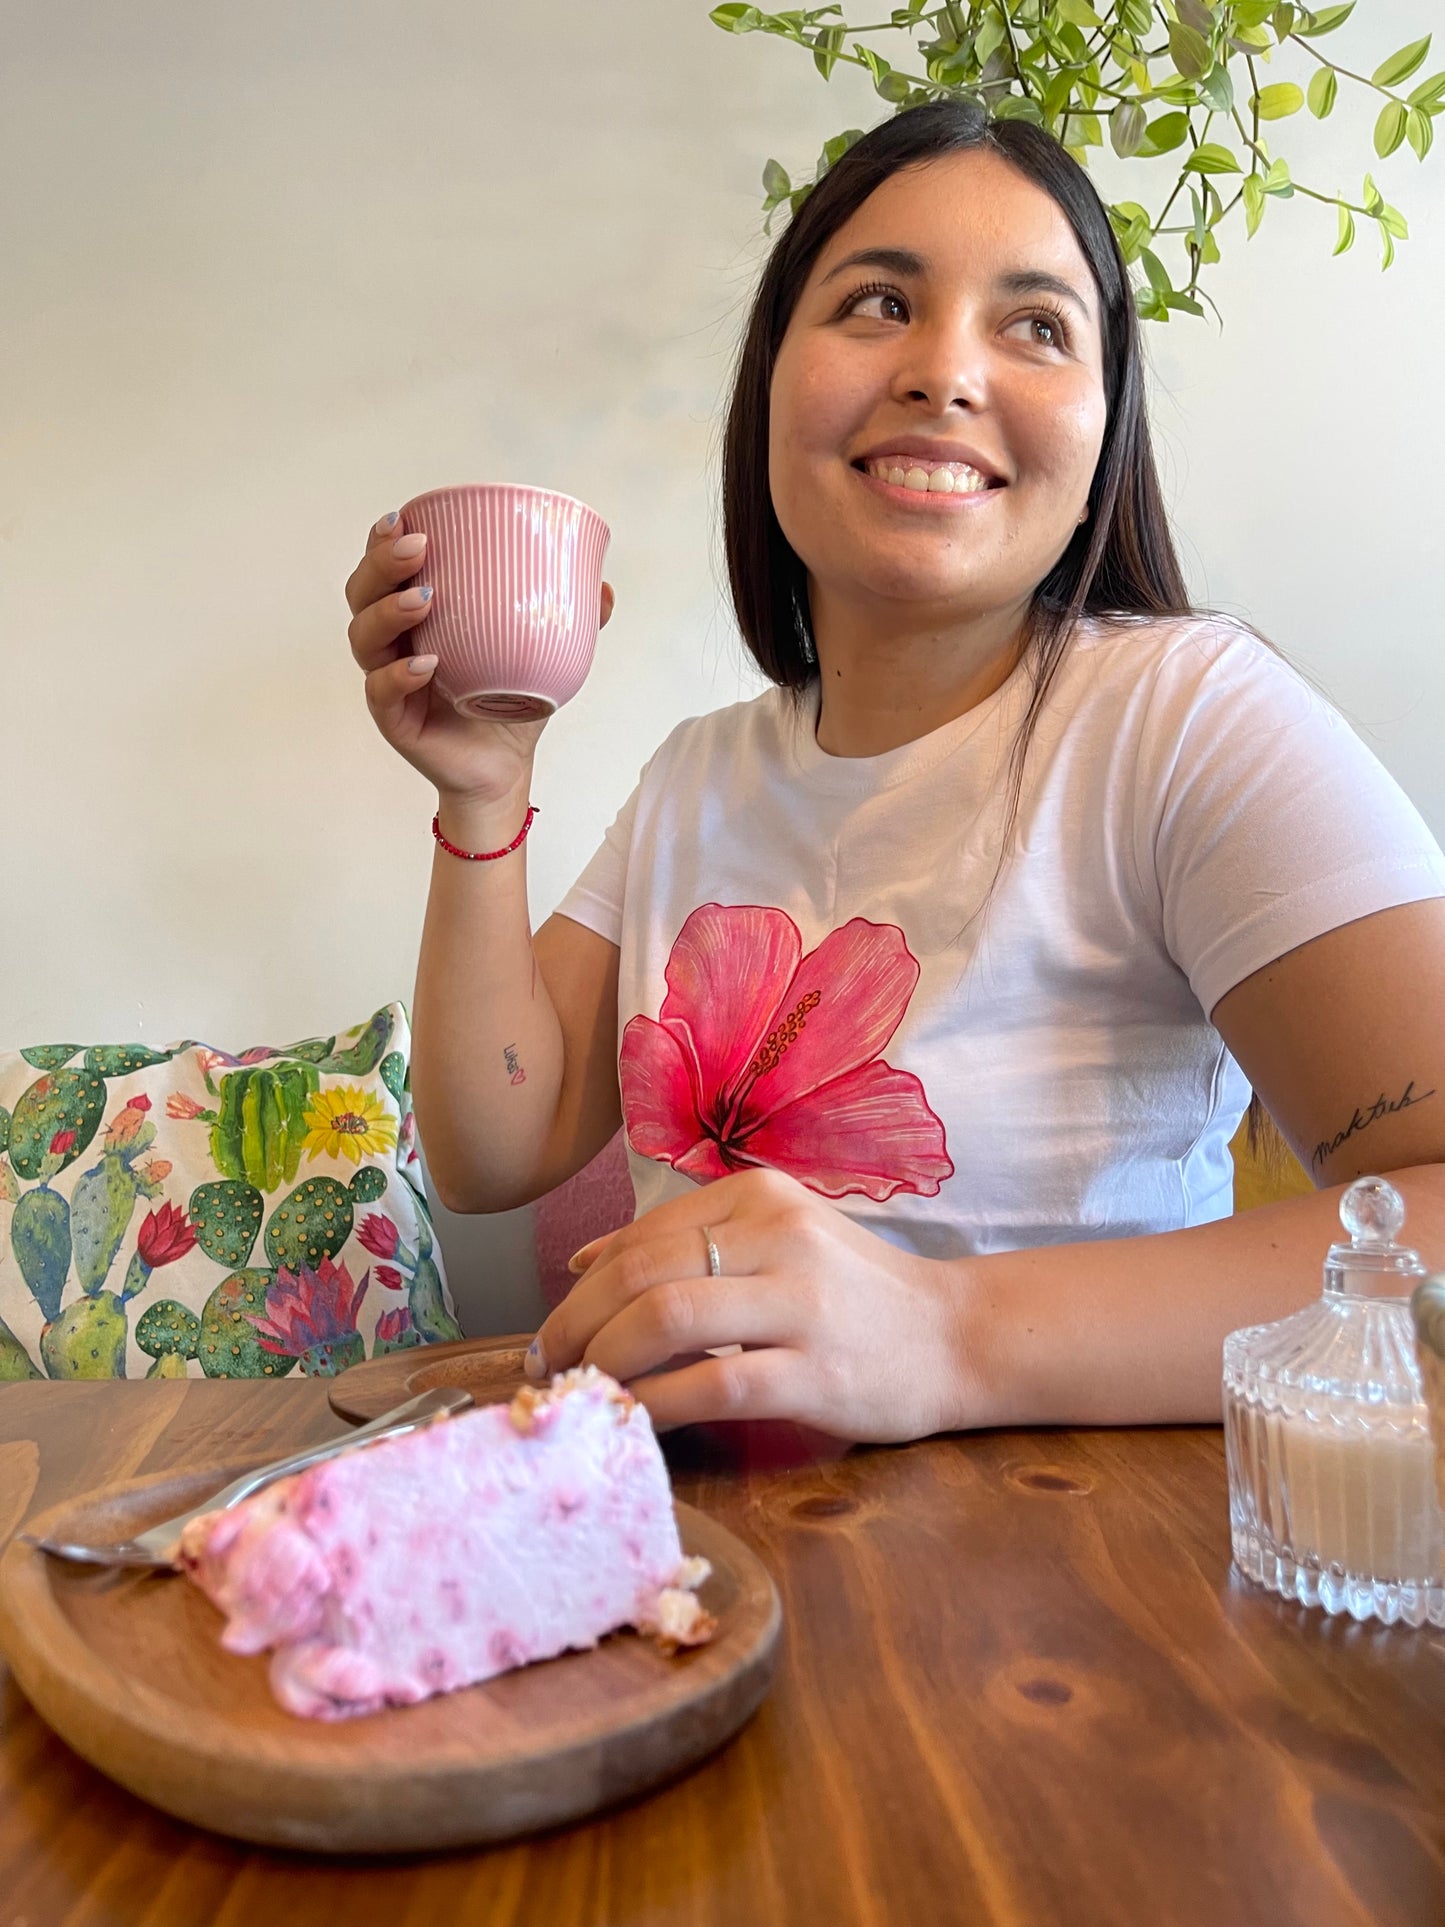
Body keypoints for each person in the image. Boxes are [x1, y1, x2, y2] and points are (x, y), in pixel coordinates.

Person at [346, 100, 1445, 1442]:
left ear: (1103, 438)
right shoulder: (695, 775)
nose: (944, 371)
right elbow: (488, 1152)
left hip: (1086, 1594)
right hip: (701, 1581)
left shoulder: (1182, 717)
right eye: (876, 304)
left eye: (1034, 324)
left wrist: (941, 1337)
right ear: (771, 388)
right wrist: (481, 792)